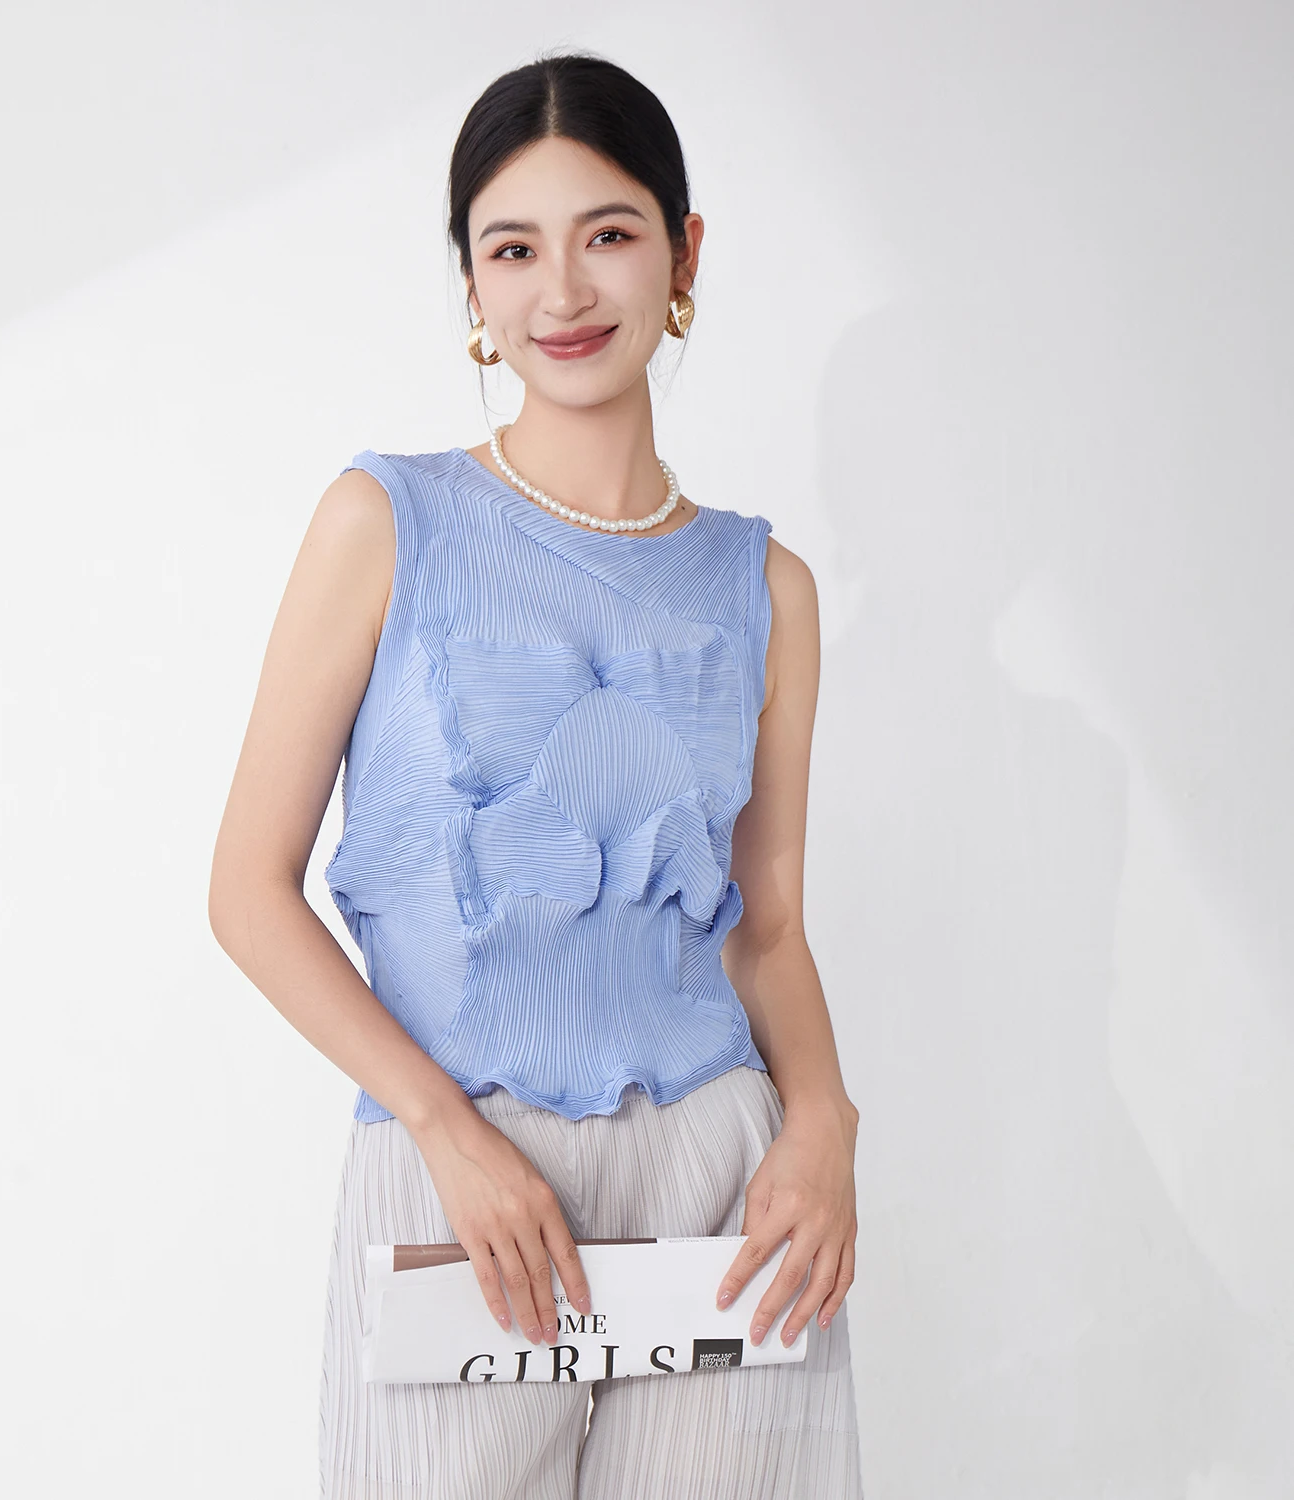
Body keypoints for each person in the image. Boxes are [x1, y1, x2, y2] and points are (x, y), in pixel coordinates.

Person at [208, 50, 864, 1500]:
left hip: (724, 1181)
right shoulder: (385, 521)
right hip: (464, 1181)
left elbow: (768, 928)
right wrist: (440, 1128)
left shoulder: (768, 588)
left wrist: (825, 1123)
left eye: (607, 234)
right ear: (471, 282)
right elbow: (247, 891)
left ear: (683, 253)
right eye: (513, 248)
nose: (562, 291)